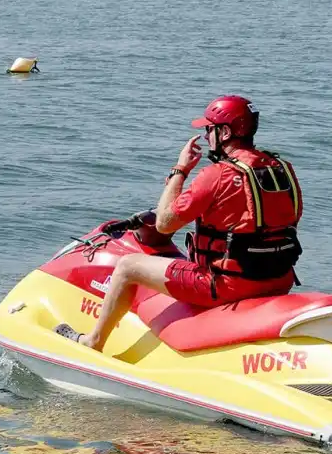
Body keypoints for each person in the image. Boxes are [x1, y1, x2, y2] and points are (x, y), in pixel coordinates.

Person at [58, 95, 303, 352]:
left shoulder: (217, 174)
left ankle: (93, 341)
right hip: (279, 279)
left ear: (226, 131)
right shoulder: (282, 170)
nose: (208, 135)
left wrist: (181, 170)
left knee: (127, 266)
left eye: (210, 129)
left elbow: (164, 224)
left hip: (227, 287)